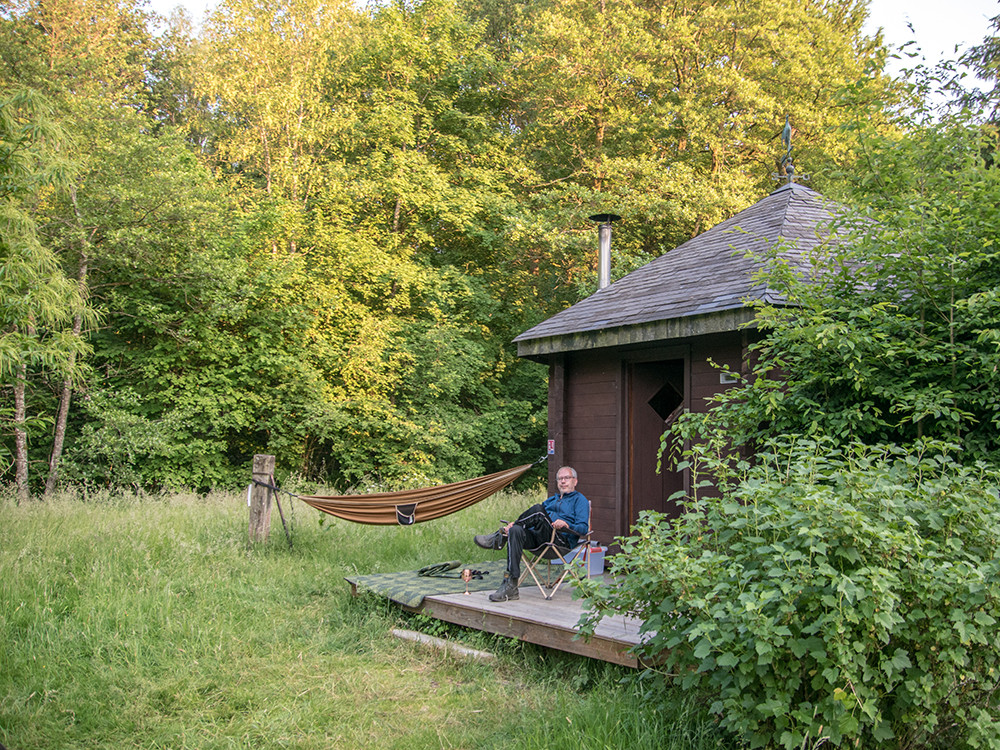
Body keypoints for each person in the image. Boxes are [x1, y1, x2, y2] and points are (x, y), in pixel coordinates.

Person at [473, 465, 589, 602]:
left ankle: (499, 537)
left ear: (575, 481)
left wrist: (567, 525)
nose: (563, 481)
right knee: (516, 531)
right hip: (540, 539)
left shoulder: (580, 500)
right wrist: (515, 526)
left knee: (538, 510)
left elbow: (583, 529)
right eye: (560, 479)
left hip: (560, 541)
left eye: (567, 478)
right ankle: (511, 585)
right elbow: (533, 520)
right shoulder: (551, 500)